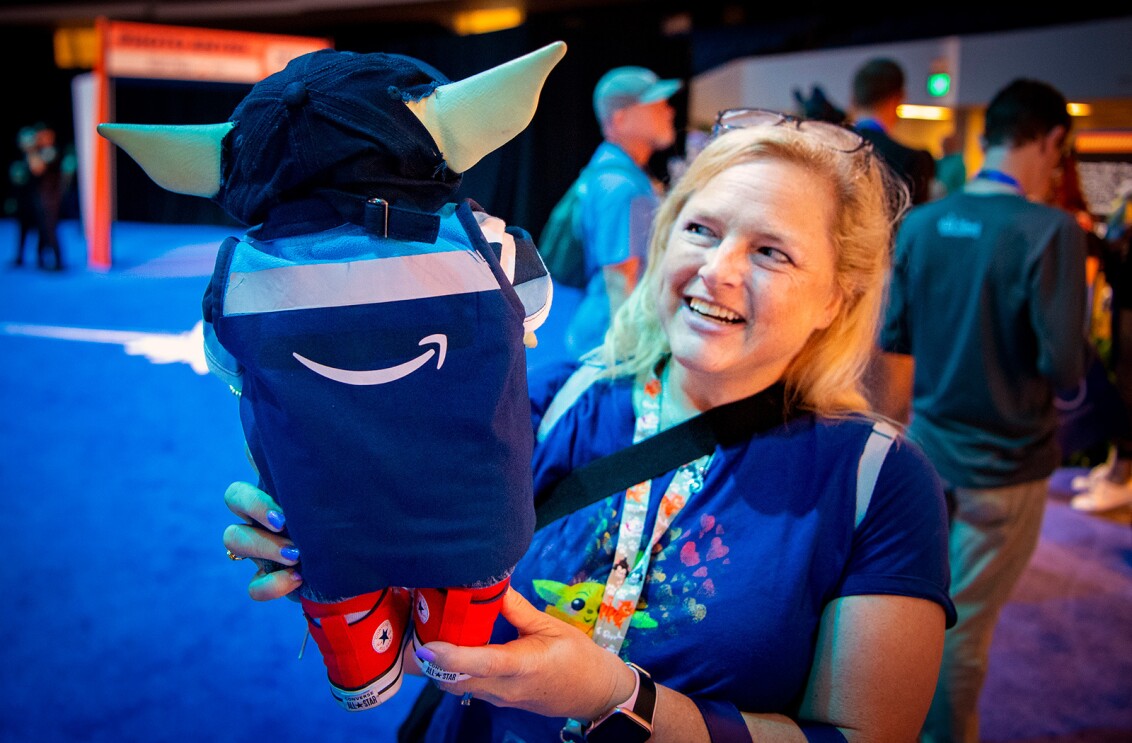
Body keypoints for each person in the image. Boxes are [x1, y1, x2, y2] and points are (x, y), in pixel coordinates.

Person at [223, 109, 957, 741]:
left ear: (839, 295)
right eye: (701, 229)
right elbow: (429, 612)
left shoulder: (878, 482)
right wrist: (330, 538)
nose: (718, 271)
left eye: (771, 251)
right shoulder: (547, 398)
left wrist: (622, 700)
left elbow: (864, 732)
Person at [101, 43, 566, 712]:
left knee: (333, 586)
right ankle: (451, 656)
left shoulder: (239, 272)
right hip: (476, 517)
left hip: (322, 526)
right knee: (465, 627)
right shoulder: (483, 241)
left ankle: (361, 663)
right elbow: (536, 302)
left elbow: (227, 361)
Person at [875, 78, 1089, 743]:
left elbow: (896, 340)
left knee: (906, 614)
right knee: (963, 632)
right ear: (1053, 140)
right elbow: (1067, 368)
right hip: (1009, 464)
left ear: (989, 134)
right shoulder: (1051, 230)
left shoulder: (925, 222)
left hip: (928, 452)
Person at [563, 65, 681, 359]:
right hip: (611, 342)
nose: (668, 112)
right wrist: (629, 358)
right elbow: (619, 281)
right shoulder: (619, 185)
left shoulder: (622, 173)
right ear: (620, 118)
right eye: (656, 104)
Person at [1071, 187, 1132, 512]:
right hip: (1122, 308)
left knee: (1128, 390)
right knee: (1122, 385)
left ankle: (1121, 476)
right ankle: (1118, 468)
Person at [849, 58, 936, 206]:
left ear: (854, 99)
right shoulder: (910, 160)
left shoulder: (829, 147)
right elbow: (912, 224)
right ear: (898, 98)